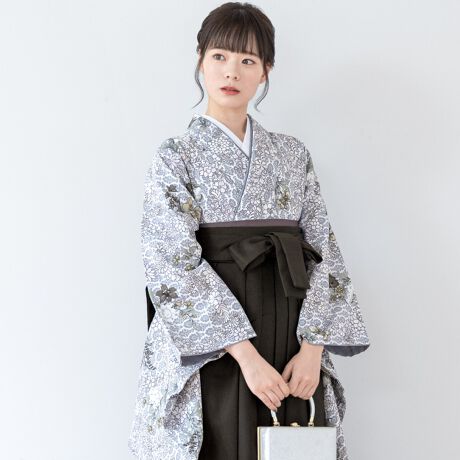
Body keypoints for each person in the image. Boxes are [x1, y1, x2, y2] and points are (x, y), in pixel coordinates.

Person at [128, 2, 370, 460]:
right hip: (215, 346)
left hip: (291, 335)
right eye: (219, 56)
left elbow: (324, 249)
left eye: (247, 60)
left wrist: (313, 349)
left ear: (265, 71)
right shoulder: (176, 155)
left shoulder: (292, 154)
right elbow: (171, 261)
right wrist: (246, 356)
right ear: (200, 60)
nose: (231, 71)